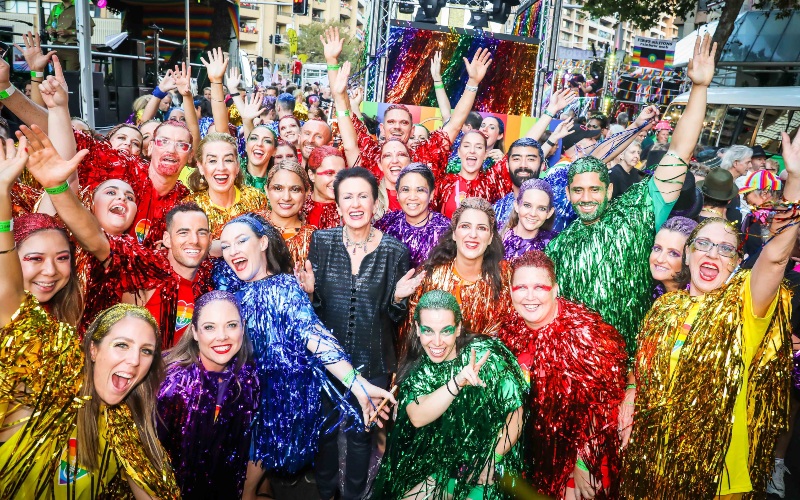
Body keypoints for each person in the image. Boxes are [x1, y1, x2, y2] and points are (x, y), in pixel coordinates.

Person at [0, 140, 179, 496]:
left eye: (146, 351)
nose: (50, 271)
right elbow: (7, 289)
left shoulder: (123, 417)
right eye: (34, 259)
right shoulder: (38, 340)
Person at [621, 158, 798, 499]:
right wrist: (630, 393)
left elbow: (775, 258)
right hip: (651, 464)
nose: (713, 255)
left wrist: (796, 180)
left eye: (725, 249)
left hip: (712, 477)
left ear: (735, 262)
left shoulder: (742, 308)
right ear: (687, 255)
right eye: (703, 244)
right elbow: (641, 367)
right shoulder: (664, 306)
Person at [545, 36, 716, 361]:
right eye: (578, 190)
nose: (586, 198)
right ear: (568, 194)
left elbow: (679, 152)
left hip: (624, 371)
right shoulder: (557, 246)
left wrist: (699, 89)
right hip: (572, 374)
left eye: (595, 189)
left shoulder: (635, 213)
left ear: (609, 190)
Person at [213, 212, 396, 497]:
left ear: (263, 243)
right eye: (226, 246)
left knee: (243, 490)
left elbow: (316, 336)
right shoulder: (234, 286)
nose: (232, 250)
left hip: (271, 417)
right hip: (245, 408)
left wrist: (355, 382)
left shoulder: (283, 289)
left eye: (241, 241)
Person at [307, 167, 415, 499]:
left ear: (375, 202)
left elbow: (393, 317)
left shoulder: (394, 251)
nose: (356, 204)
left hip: (374, 357)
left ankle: (354, 495)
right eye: (347, 197)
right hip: (326, 360)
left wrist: (398, 298)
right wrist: (310, 293)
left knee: (360, 435)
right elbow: (315, 310)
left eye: (363, 196)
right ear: (337, 205)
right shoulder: (321, 243)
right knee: (324, 433)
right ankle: (325, 492)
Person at [372, 290, 527, 499]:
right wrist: (458, 381)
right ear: (417, 329)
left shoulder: (484, 354)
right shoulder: (416, 367)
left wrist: (492, 458)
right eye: (428, 330)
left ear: (458, 328)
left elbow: (516, 412)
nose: (436, 342)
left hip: (486, 468)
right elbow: (417, 416)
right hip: (442, 467)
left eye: (445, 331)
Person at [498, 251, 627, 499]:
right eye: (521, 287)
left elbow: (604, 404)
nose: (530, 296)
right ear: (511, 291)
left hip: (579, 458)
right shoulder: (509, 329)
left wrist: (582, 463)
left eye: (539, 287)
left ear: (555, 289)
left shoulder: (584, 333)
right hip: (532, 458)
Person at [158, 290, 260, 499]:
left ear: (243, 327)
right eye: (209, 327)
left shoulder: (250, 380)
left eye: (231, 325)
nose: (222, 336)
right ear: (195, 332)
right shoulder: (172, 384)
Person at [408, 197, 511, 338]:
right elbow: (412, 334)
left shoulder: (505, 276)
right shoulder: (430, 276)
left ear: (491, 237)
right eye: (465, 226)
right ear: (454, 234)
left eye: (481, 228)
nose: (473, 235)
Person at [184, 133, 267, 238]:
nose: (221, 168)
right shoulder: (190, 207)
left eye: (228, 160)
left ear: (237, 166)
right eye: (212, 161)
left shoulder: (256, 198)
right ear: (200, 167)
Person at [375, 163, 451, 268]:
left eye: (420, 190)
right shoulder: (385, 225)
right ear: (397, 194)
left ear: (432, 194)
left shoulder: (446, 230)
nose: (412, 197)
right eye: (405, 190)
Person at [265, 158, 316, 264]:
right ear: (267, 191)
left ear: (307, 193)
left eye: (295, 189)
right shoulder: (252, 224)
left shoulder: (313, 239)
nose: (286, 197)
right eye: (278, 188)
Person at [500, 179, 557, 260]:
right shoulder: (497, 236)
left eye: (541, 208)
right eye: (527, 205)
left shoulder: (554, 244)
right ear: (516, 206)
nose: (533, 214)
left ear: (549, 213)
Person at [650, 216, 698, 297]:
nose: (660, 259)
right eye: (657, 249)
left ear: (689, 258)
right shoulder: (653, 293)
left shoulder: (694, 303)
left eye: (673, 253)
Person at [304, 145, 346, 229]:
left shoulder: (350, 209)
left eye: (341, 174)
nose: (337, 180)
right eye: (329, 173)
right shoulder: (300, 208)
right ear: (311, 175)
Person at [242, 125, 278, 191]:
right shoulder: (233, 172)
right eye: (254, 138)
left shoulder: (278, 182)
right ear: (246, 146)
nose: (259, 144)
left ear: (274, 151)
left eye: (267, 141)